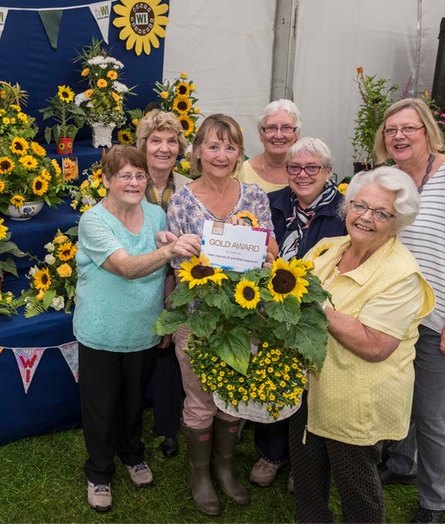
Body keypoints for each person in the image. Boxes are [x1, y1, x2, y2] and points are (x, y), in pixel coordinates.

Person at [289, 167, 435, 523]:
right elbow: (291, 291)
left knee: (358, 493)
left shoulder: (402, 276)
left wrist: (318, 305)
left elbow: (375, 345)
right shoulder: (329, 249)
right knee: (307, 481)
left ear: (397, 223)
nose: (365, 218)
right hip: (307, 389)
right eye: (359, 206)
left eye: (381, 213)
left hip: (353, 400)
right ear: (347, 207)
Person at [375, 98, 445, 524]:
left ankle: (434, 503)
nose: (399, 136)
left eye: (409, 128)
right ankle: (403, 466)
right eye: (391, 130)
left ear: (427, 132)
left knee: (432, 413)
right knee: (405, 400)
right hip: (403, 317)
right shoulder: (386, 179)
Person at [74, 145, 201, 513]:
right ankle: (98, 472)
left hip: (143, 328)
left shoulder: (157, 213)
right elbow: (127, 267)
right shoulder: (93, 220)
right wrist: (170, 250)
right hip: (101, 330)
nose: (133, 182)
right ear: (106, 180)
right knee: (101, 406)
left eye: (139, 175)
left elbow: (164, 273)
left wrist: (166, 315)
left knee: (133, 401)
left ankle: (132, 454)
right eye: (124, 175)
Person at [166, 114, 279, 516]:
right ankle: (199, 476)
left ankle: (224, 468)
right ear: (197, 152)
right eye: (213, 146)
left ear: (239, 153)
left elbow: (271, 251)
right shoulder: (181, 201)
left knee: (234, 396)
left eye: (229, 147)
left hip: (245, 317)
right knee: (199, 400)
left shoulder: (254, 197)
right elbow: (180, 266)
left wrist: (263, 252)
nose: (221, 154)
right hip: (197, 317)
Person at [250, 137, 347, 491]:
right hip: (272, 308)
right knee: (274, 378)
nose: (303, 174)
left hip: (320, 312)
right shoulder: (270, 203)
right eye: (295, 167)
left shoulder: (346, 211)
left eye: (312, 168)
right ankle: (271, 453)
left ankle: (303, 463)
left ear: (327, 171)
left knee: (311, 386)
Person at [136, 110, 190, 458]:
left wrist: (171, 302)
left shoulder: (188, 187)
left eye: (172, 141)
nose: (164, 147)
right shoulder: (128, 181)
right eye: (156, 140)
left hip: (177, 283)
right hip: (135, 282)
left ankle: (168, 426)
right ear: (143, 145)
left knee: (168, 351)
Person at [234, 99, 302, 194]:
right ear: (261, 135)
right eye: (271, 128)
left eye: (286, 127)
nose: (278, 135)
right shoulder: (240, 172)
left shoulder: (307, 175)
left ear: (297, 134)